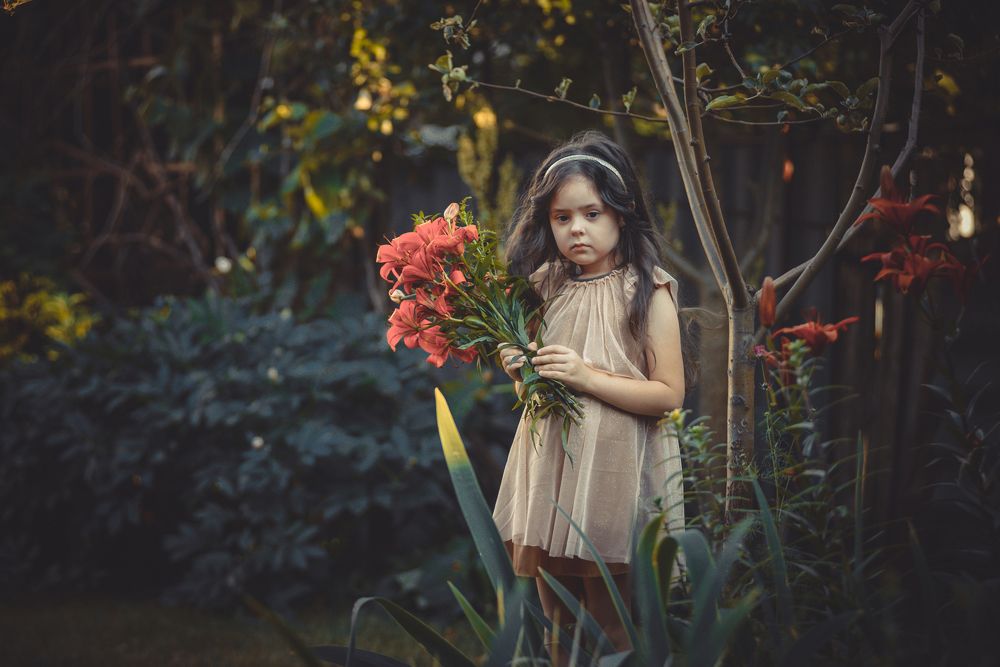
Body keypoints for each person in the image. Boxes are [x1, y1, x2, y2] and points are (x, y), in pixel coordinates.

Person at [493, 130, 688, 661]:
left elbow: (669, 394)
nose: (577, 228)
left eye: (592, 213)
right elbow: (534, 385)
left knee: (612, 624)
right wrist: (520, 370)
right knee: (558, 620)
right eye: (562, 218)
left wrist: (584, 376)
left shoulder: (647, 290)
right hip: (551, 469)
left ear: (621, 215)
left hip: (612, 473)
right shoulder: (545, 285)